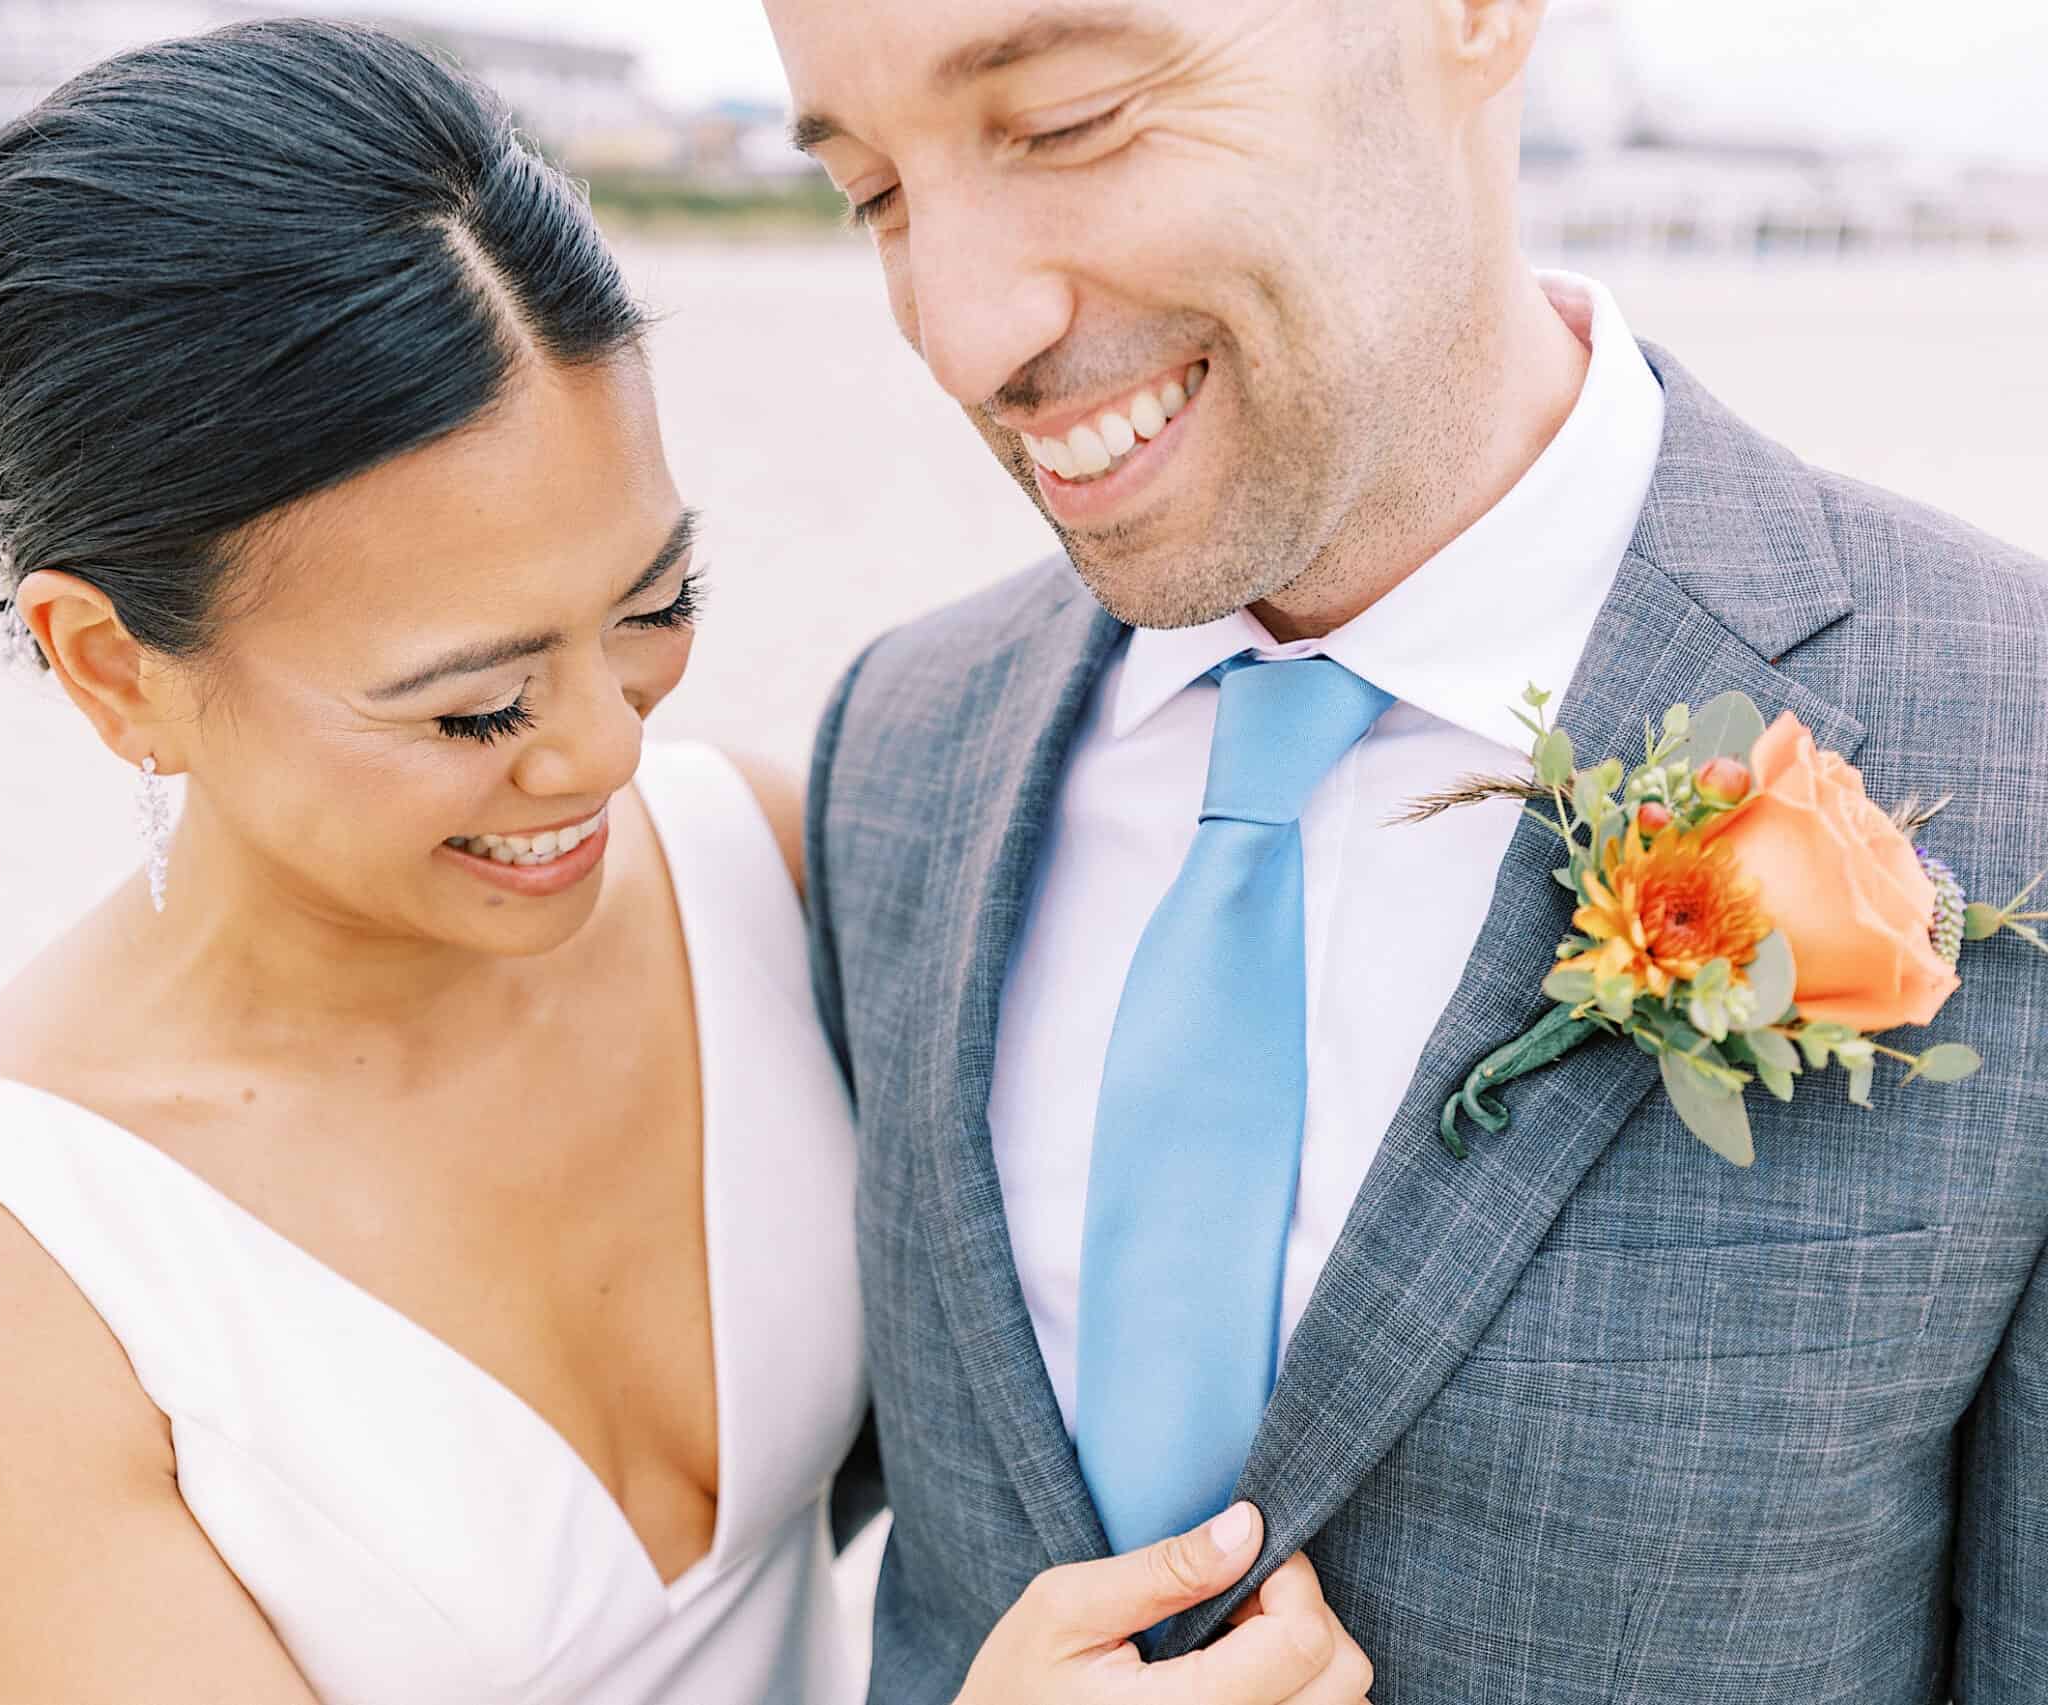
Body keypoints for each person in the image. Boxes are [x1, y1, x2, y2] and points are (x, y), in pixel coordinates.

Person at [0, 20, 1371, 1705]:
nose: (607, 750)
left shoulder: (751, 866)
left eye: (653, 608)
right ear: (112, 668)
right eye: (476, 706)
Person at [765, 0, 2048, 1698]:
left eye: (1067, 118)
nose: (960, 333)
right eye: (875, 196)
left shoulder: (2010, 736)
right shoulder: (895, 752)